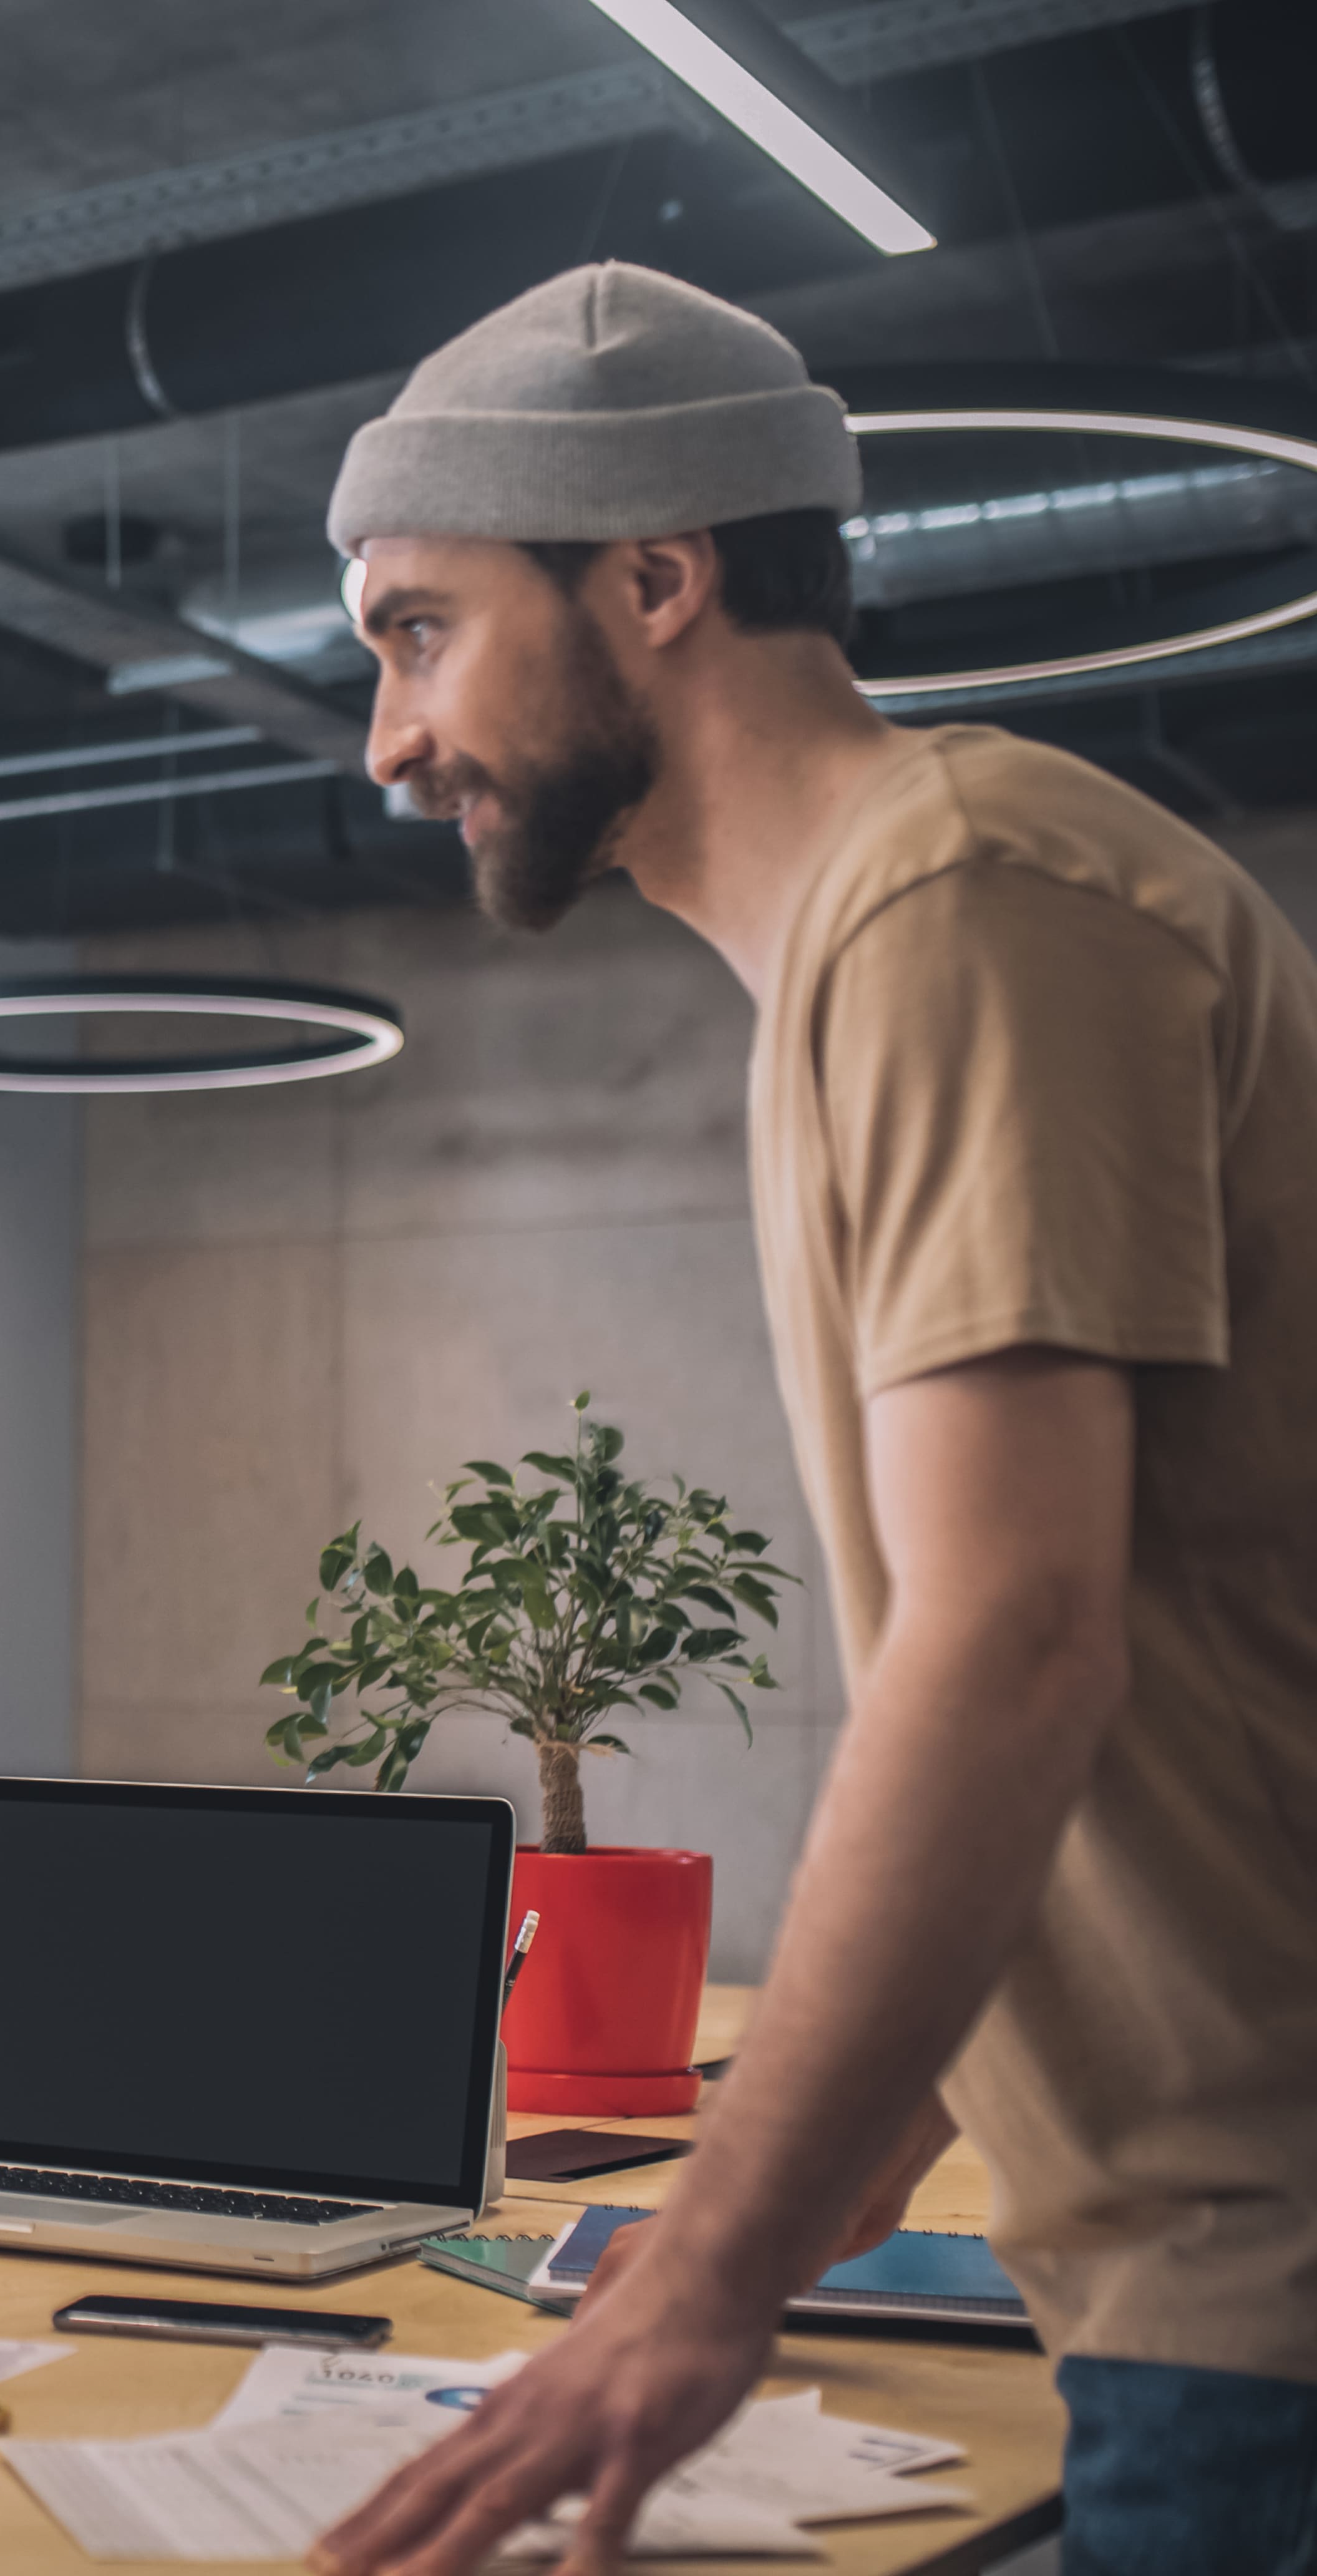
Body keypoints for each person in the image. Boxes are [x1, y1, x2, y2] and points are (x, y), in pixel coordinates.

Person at [303, 265, 1317, 2574]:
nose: (385, 736)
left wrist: (715, 2284)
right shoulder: (879, 941)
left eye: (421, 630)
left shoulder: (961, 894)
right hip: (1196, 2274)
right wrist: (824, 2155)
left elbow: (1018, 1629)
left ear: (655, 578)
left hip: (1259, 2295)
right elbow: (1142, 1629)